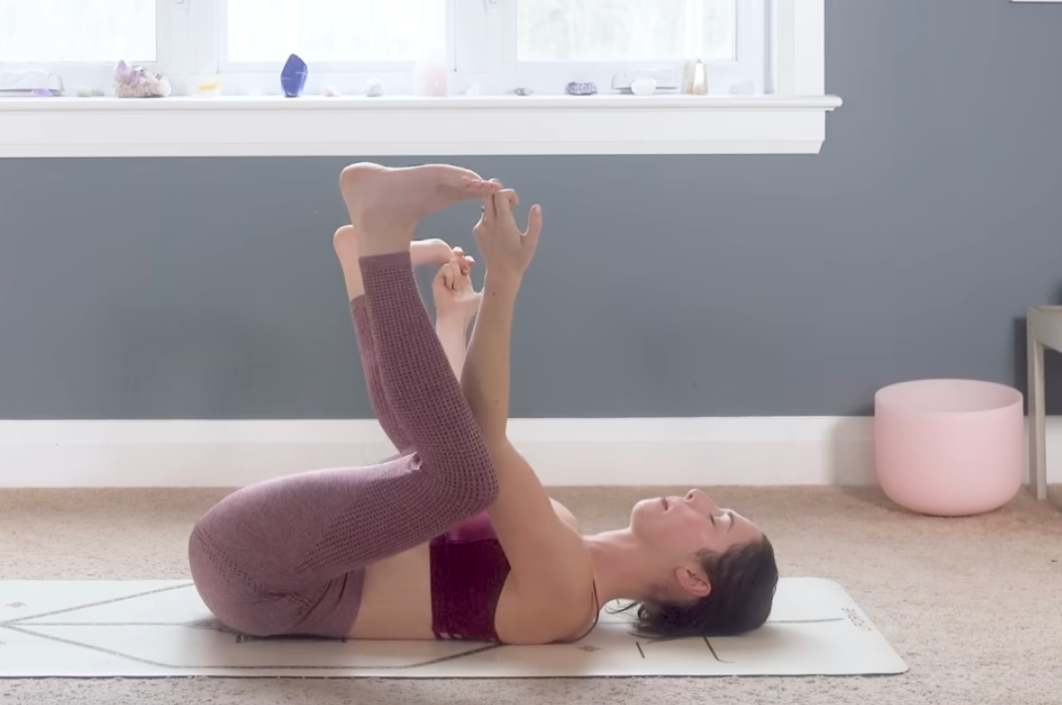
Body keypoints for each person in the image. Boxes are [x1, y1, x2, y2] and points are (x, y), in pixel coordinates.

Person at [188, 162, 778, 644]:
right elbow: (440, 439)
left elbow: (480, 449)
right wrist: (453, 322)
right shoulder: (563, 528)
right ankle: (365, 258)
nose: (702, 497)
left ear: (693, 578)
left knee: (468, 476)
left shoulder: (569, 604)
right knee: (454, 465)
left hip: (263, 579)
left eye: (718, 519)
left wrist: (506, 279)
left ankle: (380, 235)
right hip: (268, 553)